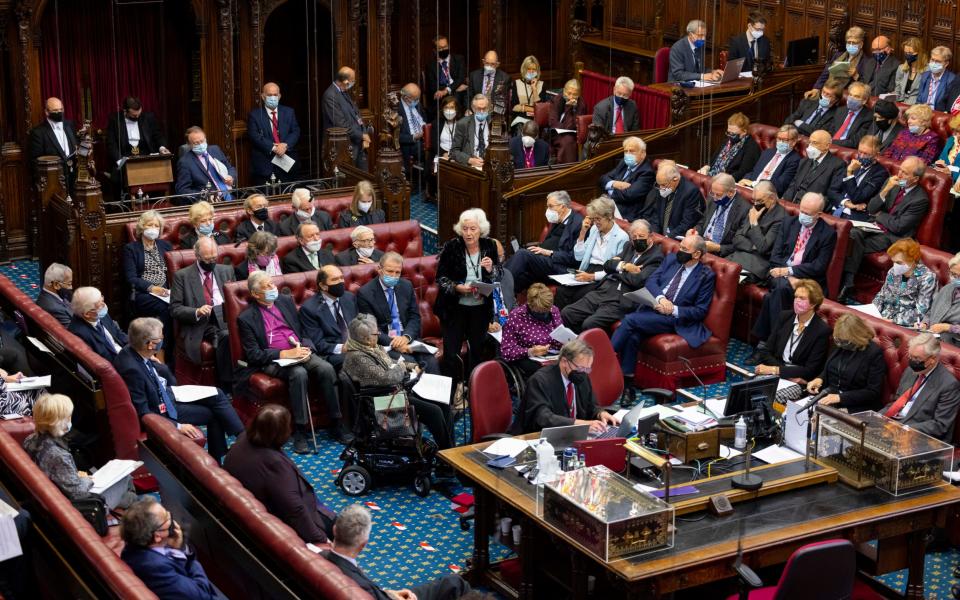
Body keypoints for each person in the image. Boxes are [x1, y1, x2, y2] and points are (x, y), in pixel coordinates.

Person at [237, 271, 346, 449]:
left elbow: (302, 330)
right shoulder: (246, 318)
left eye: (272, 284)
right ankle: (300, 431)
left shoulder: (285, 302)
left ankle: (336, 422)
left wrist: (305, 347)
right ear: (256, 294)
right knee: (299, 373)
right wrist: (283, 354)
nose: (273, 288)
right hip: (275, 361)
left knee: (326, 369)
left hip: (299, 350)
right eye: (267, 286)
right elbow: (254, 355)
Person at [116, 317, 243, 462]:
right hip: (163, 408)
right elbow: (143, 411)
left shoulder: (133, 349)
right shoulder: (132, 370)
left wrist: (149, 358)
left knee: (217, 394)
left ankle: (237, 442)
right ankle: (229, 450)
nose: (163, 338)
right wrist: (177, 425)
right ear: (150, 344)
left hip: (166, 392)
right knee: (213, 414)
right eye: (161, 337)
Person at [611, 234, 715, 403]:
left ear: (696, 254)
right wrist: (660, 299)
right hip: (652, 307)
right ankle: (628, 385)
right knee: (633, 336)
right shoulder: (672, 260)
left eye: (684, 249)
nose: (679, 251)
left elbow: (700, 311)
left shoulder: (706, 276)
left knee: (629, 321)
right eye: (680, 247)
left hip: (674, 319)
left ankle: (604, 358)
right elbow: (652, 280)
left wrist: (672, 309)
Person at [223, 405, 337, 544]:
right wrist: (321, 539)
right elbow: (295, 511)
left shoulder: (243, 439)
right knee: (344, 527)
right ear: (280, 432)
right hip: (288, 520)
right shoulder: (275, 465)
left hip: (259, 504)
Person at [342, 315, 452, 451]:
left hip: (394, 393)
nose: (378, 335)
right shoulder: (357, 357)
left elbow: (392, 363)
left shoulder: (372, 347)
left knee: (443, 404)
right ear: (366, 338)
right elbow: (385, 378)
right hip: (382, 401)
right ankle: (447, 457)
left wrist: (411, 366)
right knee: (434, 411)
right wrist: (402, 369)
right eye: (376, 333)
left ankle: (449, 451)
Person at [323, 504, 471, 600]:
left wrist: (390, 593)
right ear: (364, 544)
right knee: (454, 583)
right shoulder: (361, 586)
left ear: (335, 530)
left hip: (387, 596)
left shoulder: (321, 557)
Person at [750, 193, 836, 346]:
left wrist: (789, 272)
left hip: (807, 279)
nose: (802, 216)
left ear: (819, 214)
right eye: (801, 211)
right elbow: (775, 256)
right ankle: (775, 343)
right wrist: (788, 275)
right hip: (779, 273)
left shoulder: (828, 233)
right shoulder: (788, 223)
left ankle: (766, 344)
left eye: (807, 214)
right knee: (782, 287)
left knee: (773, 296)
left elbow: (819, 266)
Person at [839, 156, 930, 301]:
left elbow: (898, 226)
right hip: (872, 226)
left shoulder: (920, 199)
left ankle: (844, 283)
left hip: (892, 237)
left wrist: (879, 214)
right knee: (851, 234)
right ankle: (847, 283)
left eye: (905, 173)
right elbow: (871, 208)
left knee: (852, 242)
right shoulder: (892, 183)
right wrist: (885, 190)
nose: (899, 174)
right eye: (900, 169)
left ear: (915, 179)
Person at [24, 393, 136, 509]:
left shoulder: (30, 440)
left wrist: (75, 476)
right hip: (81, 506)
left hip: (53, 498)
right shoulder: (59, 456)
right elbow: (78, 493)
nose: (70, 419)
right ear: (60, 422)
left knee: (126, 492)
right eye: (68, 416)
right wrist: (86, 479)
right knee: (126, 479)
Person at [562, 219, 663, 333]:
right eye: (634, 237)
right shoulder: (629, 246)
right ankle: (577, 345)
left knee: (589, 323)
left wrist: (616, 271)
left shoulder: (656, 257)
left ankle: (589, 348)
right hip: (604, 290)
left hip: (621, 299)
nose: (637, 240)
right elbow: (607, 265)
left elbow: (637, 281)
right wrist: (624, 266)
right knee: (567, 313)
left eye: (641, 236)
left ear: (651, 237)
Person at [435, 208, 501, 378]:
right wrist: (457, 287)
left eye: (473, 229)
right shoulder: (452, 247)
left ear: (481, 229)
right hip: (454, 308)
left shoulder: (489, 245)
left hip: (480, 308)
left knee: (477, 353)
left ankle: (473, 388)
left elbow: (499, 274)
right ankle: (453, 391)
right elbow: (441, 278)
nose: (468, 233)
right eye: (465, 229)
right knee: (451, 354)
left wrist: (490, 268)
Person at [120, 497, 226, 600]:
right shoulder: (156, 568)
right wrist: (180, 551)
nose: (172, 520)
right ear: (157, 536)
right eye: (167, 518)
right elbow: (202, 593)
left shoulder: (131, 547)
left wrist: (178, 549)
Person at [356, 252, 440, 374]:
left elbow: (414, 317)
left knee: (431, 363)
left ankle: (437, 393)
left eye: (397, 272)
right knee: (411, 367)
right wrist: (394, 342)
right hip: (385, 344)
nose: (394, 276)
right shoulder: (365, 293)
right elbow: (370, 328)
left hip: (409, 340)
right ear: (379, 269)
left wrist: (406, 337)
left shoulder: (406, 286)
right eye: (390, 271)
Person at [170, 237, 236, 390]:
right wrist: (197, 312)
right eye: (207, 259)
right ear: (197, 256)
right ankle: (227, 386)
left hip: (226, 318)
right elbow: (175, 309)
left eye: (214, 258)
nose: (211, 261)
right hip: (202, 323)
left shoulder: (226, 271)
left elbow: (235, 299)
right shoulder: (182, 276)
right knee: (226, 336)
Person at [519, 339, 619, 434]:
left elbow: (591, 405)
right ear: (564, 362)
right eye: (580, 368)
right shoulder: (540, 381)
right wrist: (581, 424)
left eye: (587, 369)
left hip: (575, 435)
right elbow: (543, 418)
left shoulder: (582, 376)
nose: (583, 372)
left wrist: (600, 413)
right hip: (541, 438)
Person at [882, 333, 960, 442]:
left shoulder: (949, 385)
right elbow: (897, 402)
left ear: (932, 359)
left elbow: (940, 425)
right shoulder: (910, 371)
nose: (912, 362)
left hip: (920, 437)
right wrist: (878, 417)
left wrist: (903, 428)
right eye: (910, 356)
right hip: (893, 426)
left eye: (916, 358)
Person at [504, 191, 584, 291]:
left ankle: (498, 286)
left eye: (551, 206)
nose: (548, 210)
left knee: (523, 254)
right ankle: (502, 302)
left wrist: (549, 253)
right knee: (521, 276)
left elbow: (574, 258)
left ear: (562, 207)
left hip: (562, 267)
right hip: (545, 261)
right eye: (547, 206)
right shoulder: (557, 220)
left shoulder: (578, 224)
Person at [753, 279, 830, 383]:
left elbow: (811, 369)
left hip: (799, 380)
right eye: (796, 297)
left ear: (813, 303)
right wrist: (783, 373)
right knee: (749, 390)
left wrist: (775, 370)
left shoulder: (821, 330)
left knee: (773, 395)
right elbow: (766, 351)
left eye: (802, 298)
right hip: (785, 375)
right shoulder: (784, 317)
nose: (797, 301)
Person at [557, 197, 629, 308]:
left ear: (609, 216)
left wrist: (592, 276)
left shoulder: (621, 237)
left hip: (604, 276)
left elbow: (616, 270)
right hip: (587, 269)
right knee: (561, 291)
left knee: (579, 296)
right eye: (593, 219)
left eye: (598, 219)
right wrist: (582, 232)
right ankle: (558, 324)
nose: (595, 222)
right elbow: (579, 257)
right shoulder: (594, 229)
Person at [806, 313, 887, 411]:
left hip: (856, 405)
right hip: (829, 398)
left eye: (845, 341)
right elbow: (832, 368)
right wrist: (819, 379)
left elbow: (873, 392)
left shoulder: (873, 353)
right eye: (837, 340)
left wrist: (840, 397)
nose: (840, 344)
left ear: (857, 336)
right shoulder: (841, 343)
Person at [122, 210, 173, 360]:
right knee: (166, 309)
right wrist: (152, 288)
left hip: (166, 292)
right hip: (143, 294)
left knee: (178, 305)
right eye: (150, 225)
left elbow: (174, 270)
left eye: (157, 226)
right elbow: (131, 278)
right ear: (142, 227)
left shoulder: (165, 246)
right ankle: (161, 353)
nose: (154, 228)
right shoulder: (131, 249)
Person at [499, 284, 563, 380]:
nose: (545, 314)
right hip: (527, 357)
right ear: (530, 305)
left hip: (552, 354)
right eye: (540, 311)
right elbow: (506, 351)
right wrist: (530, 351)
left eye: (547, 310)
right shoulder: (516, 316)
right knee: (548, 374)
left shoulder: (553, 310)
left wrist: (565, 343)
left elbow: (560, 335)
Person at [299, 266, 358, 371]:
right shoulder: (309, 309)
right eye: (335, 280)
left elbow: (359, 324)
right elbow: (318, 344)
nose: (340, 282)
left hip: (357, 346)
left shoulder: (349, 298)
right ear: (323, 285)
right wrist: (343, 348)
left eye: (341, 278)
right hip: (332, 354)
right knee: (358, 359)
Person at [725, 180, 787, 280]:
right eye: (754, 200)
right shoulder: (754, 208)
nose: (756, 204)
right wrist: (753, 247)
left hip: (757, 264)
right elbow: (737, 238)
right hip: (738, 255)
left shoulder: (781, 218)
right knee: (717, 271)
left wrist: (754, 223)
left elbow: (763, 247)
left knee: (729, 278)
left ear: (772, 198)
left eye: (760, 201)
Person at [105, 96, 170, 188]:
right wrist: (119, 160)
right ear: (125, 111)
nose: (137, 117)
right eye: (134, 115)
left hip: (146, 156)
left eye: (139, 114)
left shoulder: (148, 117)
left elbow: (157, 135)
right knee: (118, 178)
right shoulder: (115, 120)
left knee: (157, 174)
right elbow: (111, 143)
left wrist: (162, 147)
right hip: (124, 158)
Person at [872, 238, 938, 327]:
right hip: (882, 317)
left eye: (899, 262)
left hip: (903, 324)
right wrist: (873, 312)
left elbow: (921, 311)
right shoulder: (892, 272)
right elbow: (882, 295)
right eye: (893, 262)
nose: (895, 266)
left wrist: (893, 321)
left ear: (912, 260)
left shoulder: (927, 278)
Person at [247, 82, 300, 183]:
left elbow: (295, 131)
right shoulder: (254, 115)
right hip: (265, 165)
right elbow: (254, 136)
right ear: (263, 96)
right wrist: (274, 148)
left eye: (275, 95)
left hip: (287, 163)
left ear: (279, 96)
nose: (273, 98)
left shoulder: (289, 112)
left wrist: (285, 145)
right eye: (269, 95)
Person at [690, 173, 750, 257]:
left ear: (731, 192)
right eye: (712, 193)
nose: (714, 198)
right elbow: (702, 222)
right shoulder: (713, 197)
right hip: (701, 244)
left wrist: (718, 248)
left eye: (718, 195)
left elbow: (739, 245)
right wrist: (696, 231)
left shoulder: (744, 210)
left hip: (720, 253)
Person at [321, 66, 370, 169]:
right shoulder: (330, 95)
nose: (354, 83)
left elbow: (356, 113)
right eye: (353, 81)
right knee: (351, 180)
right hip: (344, 146)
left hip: (357, 143)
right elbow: (341, 124)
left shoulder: (343, 91)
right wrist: (361, 136)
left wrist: (364, 132)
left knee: (363, 177)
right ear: (345, 81)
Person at [831, 135, 889, 217]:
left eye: (866, 154)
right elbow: (832, 190)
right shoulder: (851, 163)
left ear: (876, 155)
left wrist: (849, 174)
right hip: (836, 206)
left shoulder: (880, 173)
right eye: (860, 152)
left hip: (854, 214)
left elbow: (857, 198)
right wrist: (846, 203)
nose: (861, 156)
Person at [598, 136, 655, 221]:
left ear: (643, 153)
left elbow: (628, 195)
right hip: (611, 206)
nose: (628, 154)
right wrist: (615, 184)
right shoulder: (624, 163)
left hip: (626, 214)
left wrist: (610, 188)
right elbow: (602, 179)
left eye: (632, 151)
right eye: (625, 151)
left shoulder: (647, 172)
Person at [782, 129, 845, 204]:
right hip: (793, 202)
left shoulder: (837, 165)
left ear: (827, 145)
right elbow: (793, 185)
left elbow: (831, 195)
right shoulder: (804, 161)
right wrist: (784, 202)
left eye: (814, 143)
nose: (810, 146)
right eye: (810, 142)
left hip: (811, 207)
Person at [642, 161, 704, 238]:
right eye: (659, 185)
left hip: (676, 236)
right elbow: (656, 215)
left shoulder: (690, 192)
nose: (661, 188)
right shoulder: (663, 186)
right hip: (661, 234)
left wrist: (667, 238)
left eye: (663, 185)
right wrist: (654, 234)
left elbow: (687, 223)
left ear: (675, 179)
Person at [805, 26, 873, 96]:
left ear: (861, 44)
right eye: (849, 42)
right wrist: (816, 88)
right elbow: (825, 73)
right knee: (807, 100)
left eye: (854, 43)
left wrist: (856, 76)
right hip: (827, 89)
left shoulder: (867, 62)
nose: (851, 45)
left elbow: (865, 86)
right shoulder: (837, 55)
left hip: (845, 95)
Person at [174, 126, 236, 202]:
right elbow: (182, 190)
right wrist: (205, 196)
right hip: (208, 204)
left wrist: (231, 176)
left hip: (230, 197)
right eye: (196, 143)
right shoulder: (185, 163)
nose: (200, 145)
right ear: (189, 144)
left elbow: (230, 168)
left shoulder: (215, 149)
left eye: (202, 141)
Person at [68, 286, 127, 363]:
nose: (104, 305)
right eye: (100, 305)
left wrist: (137, 345)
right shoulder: (79, 334)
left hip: (124, 352)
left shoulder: (99, 314)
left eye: (102, 300)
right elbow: (104, 361)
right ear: (87, 314)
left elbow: (117, 333)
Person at [740, 124, 802, 196]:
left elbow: (780, 186)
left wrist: (754, 183)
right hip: (750, 189)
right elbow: (754, 172)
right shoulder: (768, 152)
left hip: (767, 194)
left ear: (794, 142)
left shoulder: (795, 160)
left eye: (785, 140)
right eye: (779, 139)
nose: (781, 142)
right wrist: (743, 181)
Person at [697, 112, 761, 182]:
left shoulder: (751, 147)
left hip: (727, 182)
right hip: (712, 176)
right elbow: (713, 159)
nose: (729, 136)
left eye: (733, 134)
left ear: (744, 132)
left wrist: (723, 180)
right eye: (728, 132)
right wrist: (706, 167)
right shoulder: (727, 140)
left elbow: (743, 172)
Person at [28, 97, 78, 185]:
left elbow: (75, 146)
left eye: (61, 109)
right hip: (53, 181)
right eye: (55, 110)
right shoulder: (38, 132)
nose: (59, 112)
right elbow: (35, 161)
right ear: (47, 112)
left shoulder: (69, 125)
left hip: (73, 177)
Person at [424, 35, 468, 121]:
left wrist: (446, 90)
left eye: (445, 47)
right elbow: (433, 87)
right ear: (434, 50)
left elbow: (461, 78)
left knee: (459, 97)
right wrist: (451, 89)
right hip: (441, 99)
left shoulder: (459, 59)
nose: (444, 50)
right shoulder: (430, 65)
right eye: (440, 48)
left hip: (458, 96)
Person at [922, 251, 960, 346]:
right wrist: (924, 323)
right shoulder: (948, 288)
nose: (955, 278)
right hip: (931, 337)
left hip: (953, 345)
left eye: (959, 276)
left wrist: (948, 327)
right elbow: (932, 311)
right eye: (952, 274)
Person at [549, 79, 586, 164]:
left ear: (579, 95)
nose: (571, 97)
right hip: (555, 133)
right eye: (569, 93)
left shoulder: (581, 104)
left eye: (574, 94)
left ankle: (567, 169)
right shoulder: (556, 100)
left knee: (568, 141)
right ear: (564, 91)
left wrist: (569, 108)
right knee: (567, 141)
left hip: (572, 134)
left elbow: (572, 126)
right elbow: (552, 122)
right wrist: (568, 107)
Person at [450, 94, 491, 168]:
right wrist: (469, 160)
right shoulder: (463, 124)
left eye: (484, 108)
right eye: (478, 109)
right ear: (473, 109)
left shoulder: (494, 123)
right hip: (471, 167)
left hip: (490, 166)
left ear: (488, 108)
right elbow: (453, 152)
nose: (482, 112)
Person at [830, 81, 875, 149]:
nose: (851, 98)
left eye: (856, 96)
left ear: (864, 100)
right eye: (850, 95)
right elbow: (830, 130)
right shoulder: (840, 110)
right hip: (829, 144)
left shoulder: (868, 117)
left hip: (845, 149)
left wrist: (831, 142)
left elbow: (855, 142)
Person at [468, 50, 511, 118]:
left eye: (492, 64)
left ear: (497, 64)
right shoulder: (474, 75)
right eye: (487, 63)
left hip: (494, 113)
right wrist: (468, 109)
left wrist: (495, 115)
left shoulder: (505, 78)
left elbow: (503, 100)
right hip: (476, 111)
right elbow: (469, 96)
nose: (489, 66)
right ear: (483, 61)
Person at [398, 83, 427, 176]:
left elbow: (425, 120)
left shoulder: (417, 105)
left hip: (424, 137)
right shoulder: (396, 109)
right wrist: (415, 136)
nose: (418, 101)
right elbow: (397, 137)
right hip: (410, 143)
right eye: (416, 99)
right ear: (406, 98)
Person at [512, 55, 544, 132]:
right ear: (524, 70)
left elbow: (541, 108)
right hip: (520, 119)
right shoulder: (517, 83)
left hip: (536, 120)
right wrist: (533, 109)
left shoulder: (542, 84)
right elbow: (514, 107)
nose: (531, 71)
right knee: (521, 128)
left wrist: (534, 89)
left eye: (534, 69)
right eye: (528, 69)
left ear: (537, 71)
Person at [35, 262, 74, 327]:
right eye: (69, 284)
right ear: (56, 285)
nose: (71, 287)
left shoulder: (44, 296)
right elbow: (74, 334)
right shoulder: (56, 309)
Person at [893, 37, 927, 105]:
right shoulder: (901, 68)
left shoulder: (927, 70)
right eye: (906, 52)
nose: (907, 55)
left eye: (910, 53)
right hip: (901, 102)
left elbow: (925, 94)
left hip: (917, 105)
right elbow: (898, 89)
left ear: (919, 53)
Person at [933, 113, 960, 191]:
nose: (957, 135)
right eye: (956, 131)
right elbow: (940, 160)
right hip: (939, 178)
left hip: (955, 186)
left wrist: (951, 173)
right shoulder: (952, 140)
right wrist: (938, 165)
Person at [431, 95, 461, 164]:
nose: (449, 110)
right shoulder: (436, 123)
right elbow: (435, 144)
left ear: (457, 109)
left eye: (452, 107)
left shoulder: (463, 123)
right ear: (442, 109)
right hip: (441, 155)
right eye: (446, 107)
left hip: (458, 156)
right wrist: (443, 154)